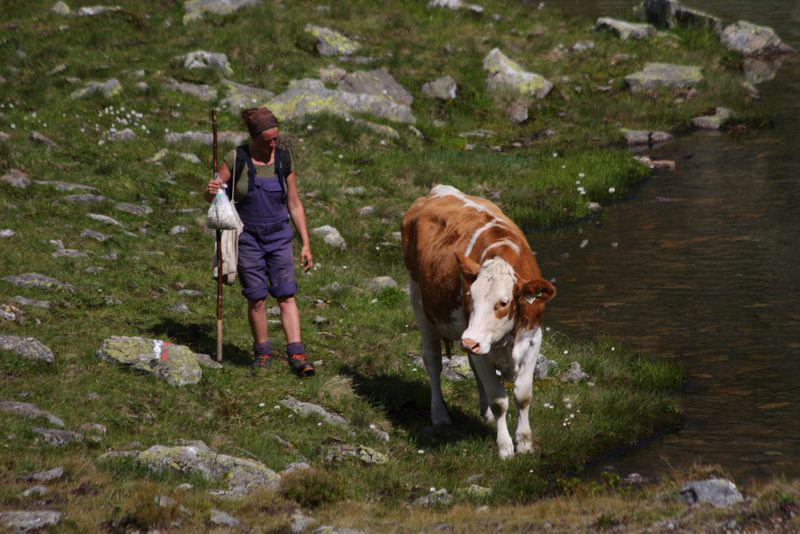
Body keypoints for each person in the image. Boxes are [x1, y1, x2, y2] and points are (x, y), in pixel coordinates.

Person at [205, 107, 315, 377]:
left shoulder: (283, 161)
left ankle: (297, 354)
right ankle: (263, 354)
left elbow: (294, 203)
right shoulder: (236, 159)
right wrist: (210, 192)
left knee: (286, 294)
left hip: (279, 236)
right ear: (254, 138)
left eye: (276, 138)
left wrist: (305, 243)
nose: (273, 144)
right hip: (247, 238)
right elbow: (215, 199)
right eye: (268, 140)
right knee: (256, 297)